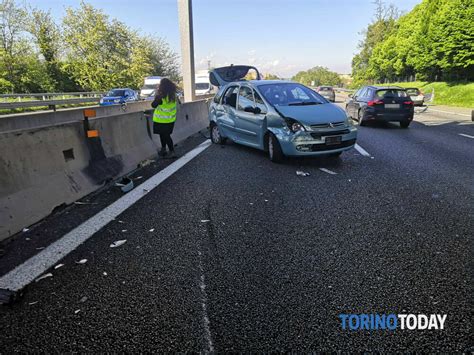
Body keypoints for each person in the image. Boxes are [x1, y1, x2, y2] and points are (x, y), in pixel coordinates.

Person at [151, 78, 179, 158]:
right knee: (165, 135)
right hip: (170, 120)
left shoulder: (161, 96)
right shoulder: (173, 96)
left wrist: (157, 95)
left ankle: (170, 151)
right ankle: (164, 150)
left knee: (164, 136)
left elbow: (153, 105)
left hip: (160, 120)